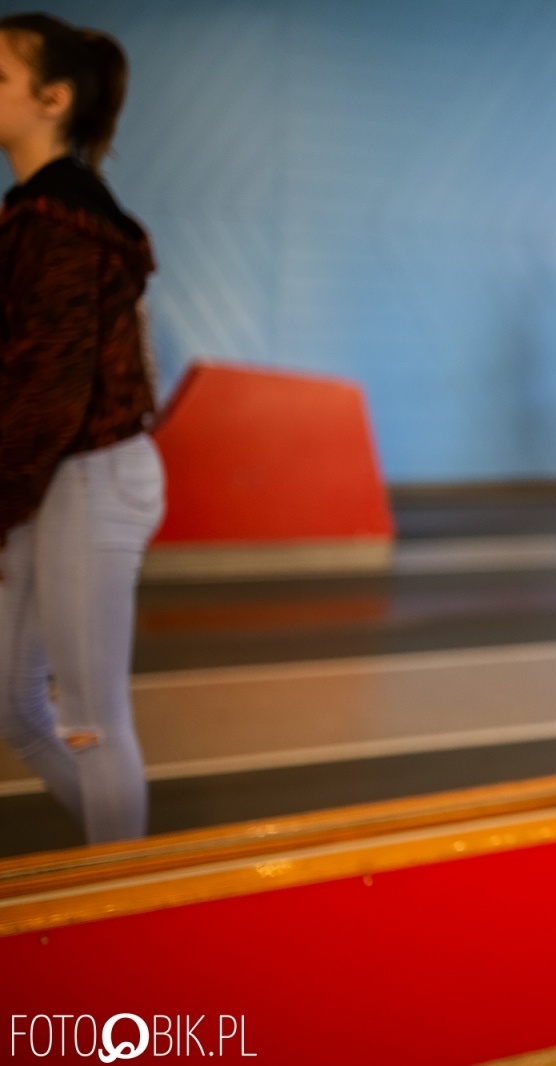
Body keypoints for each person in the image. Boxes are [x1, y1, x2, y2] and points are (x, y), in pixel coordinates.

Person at [0, 13, 163, 843]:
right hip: (53, 476)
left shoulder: (60, 220)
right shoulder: (33, 212)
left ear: (52, 99)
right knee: (12, 701)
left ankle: (122, 898)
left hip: (88, 473)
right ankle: (112, 861)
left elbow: (48, 391)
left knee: (90, 718)